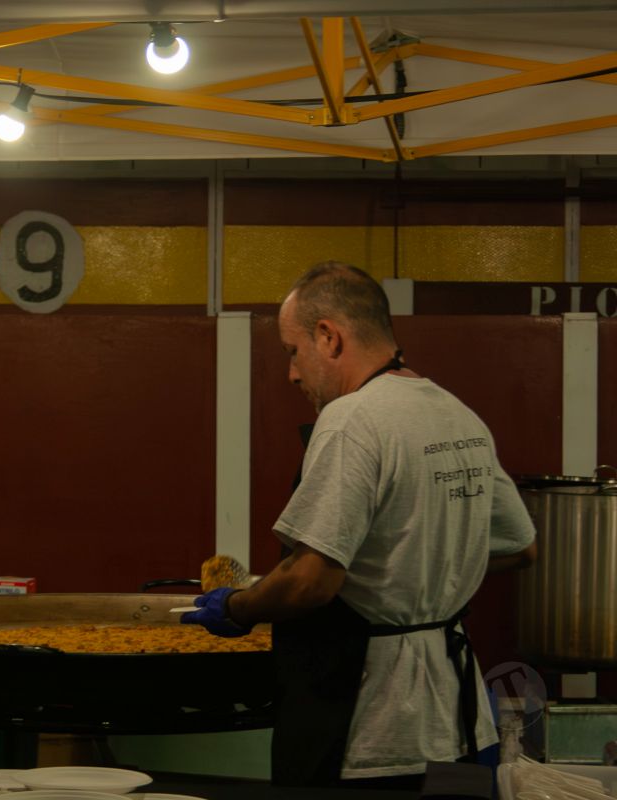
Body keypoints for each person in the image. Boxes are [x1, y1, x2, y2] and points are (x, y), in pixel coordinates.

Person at [182, 261, 537, 788]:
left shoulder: (352, 420)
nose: (292, 373)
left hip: (372, 738)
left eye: (293, 351)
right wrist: (416, 569)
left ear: (329, 337)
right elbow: (520, 547)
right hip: (462, 729)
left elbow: (310, 582)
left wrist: (238, 607)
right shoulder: (457, 414)